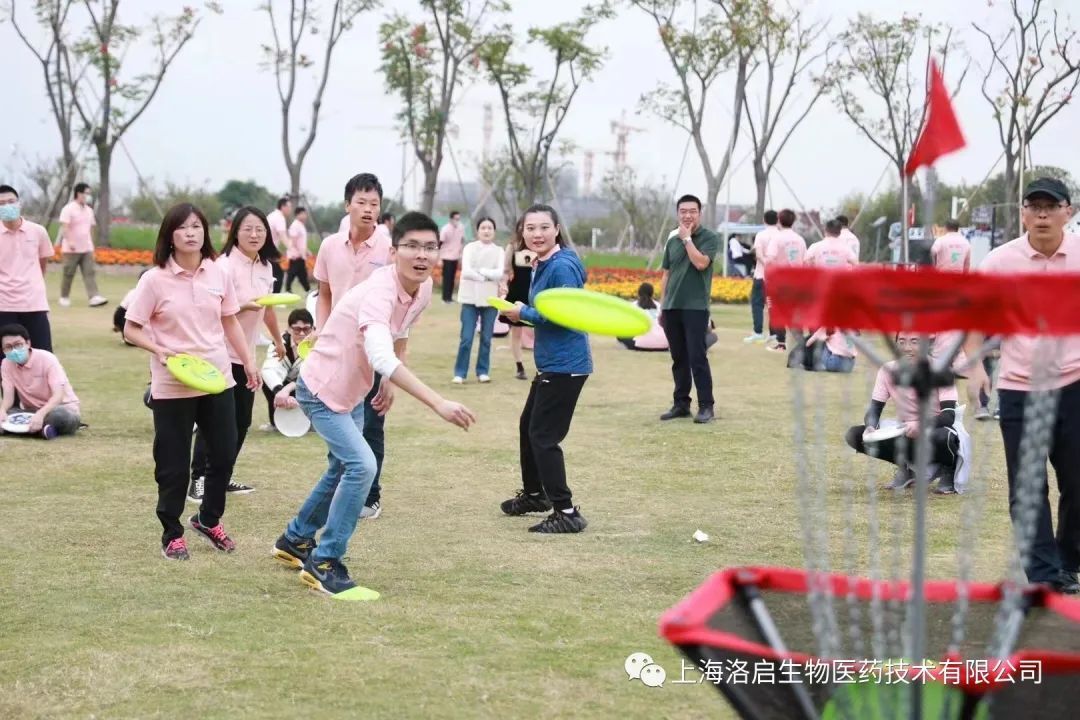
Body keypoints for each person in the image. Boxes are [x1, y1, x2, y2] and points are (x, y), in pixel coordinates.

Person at [272, 211, 476, 594]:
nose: (422, 255)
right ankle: (325, 561)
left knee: (343, 467)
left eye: (430, 247)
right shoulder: (378, 292)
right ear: (394, 251)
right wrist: (437, 403)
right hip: (321, 388)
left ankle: (295, 539)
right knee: (362, 466)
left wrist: (386, 380)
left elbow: (400, 332)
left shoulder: (423, 289)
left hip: (352, 389)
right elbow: (381, 352)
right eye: (412, 246)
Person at [123, 203, 260, 561]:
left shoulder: (218, 271)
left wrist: (248, 361)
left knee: (224, 453)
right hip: (172, 385)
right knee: (173, 464)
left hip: (217, 379)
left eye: (197, 226)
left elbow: (230, 320)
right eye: (182, 227)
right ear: (170, 235)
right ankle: (172, 533)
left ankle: (208, 519)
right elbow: (131, 329)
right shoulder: (154, 279)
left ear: (205, 232)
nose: (190, 233)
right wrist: (159, 350)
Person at [966, 177, 1080, 593]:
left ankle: (1069, 561)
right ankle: (1044, 574)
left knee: (1077, 481)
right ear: (1023, 214)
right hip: (1019, 386)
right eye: (1034, 207)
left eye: (1051, 206)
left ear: (1069, 212)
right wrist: (975, 367)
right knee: (1028, 486)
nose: (1042, 214)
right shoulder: (1000, 262)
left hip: (1074, 382)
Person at [500, 204, 592, 533]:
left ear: (556, 230)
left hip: (566, 365)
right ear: (522, 233)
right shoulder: (542, 262)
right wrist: (518, 309)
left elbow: (566, 314)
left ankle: (566, 512)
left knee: (543, 436)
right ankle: (536, 495)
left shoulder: (562, 265)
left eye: (543, 227)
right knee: (528, 426)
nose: (536, 234)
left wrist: (523, 313)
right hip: (552, 363)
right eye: (530, 228)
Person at [188, 206, 285, 501]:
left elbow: (267, 308)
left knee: (241, 422)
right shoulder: (223, 266)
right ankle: (198, 479)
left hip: (247, 357)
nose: (254, 234)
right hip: (219, 353)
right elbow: (211, 310)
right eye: (248, 229)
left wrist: (278, 340)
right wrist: (243, 305)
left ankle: (222, 475)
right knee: (214, 421)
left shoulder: (266, 267)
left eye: (260, 229)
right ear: (236, 232)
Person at [313, 173, 392, 519]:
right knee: (340, 424)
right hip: (336, 350)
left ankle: (370, 496)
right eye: (361, 202)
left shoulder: (389, 249)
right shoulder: (330, 246)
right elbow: (324, 294)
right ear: (347, 205)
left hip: (373, 348)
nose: (368, 209)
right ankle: (342, 489)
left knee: (372, 423)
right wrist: (321, 332)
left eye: (374, 203)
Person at [844, 332, 962, 493]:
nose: (907, 348)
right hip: (905, 429)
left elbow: (948, 415)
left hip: (936, 428)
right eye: (901, 342)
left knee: (944, 437)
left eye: (914, 342)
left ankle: (949, 469)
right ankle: (907, 468)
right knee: (856, 435)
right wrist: (871, 426)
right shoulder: (887, 370)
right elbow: (874, 409)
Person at [658, 194, 720, 424]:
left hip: (695, 307)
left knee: (697, 357)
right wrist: (662, 306)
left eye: (692, 211)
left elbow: (701, 263)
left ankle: (706, 406)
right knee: (679, 358)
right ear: (677, 214)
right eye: (683, 211)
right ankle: (681, 404)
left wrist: (687, 240)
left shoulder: (709, 238)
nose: (687, 215)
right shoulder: (672, 240)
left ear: (699, 213)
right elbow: (666, 274)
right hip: (672, 307)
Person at [0, 323, 81, 438]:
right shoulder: (6, 364)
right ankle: (44, 430)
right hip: (32, 411)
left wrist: (41, 414)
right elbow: (8, 397)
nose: (14, 350)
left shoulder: (47, 358)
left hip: (59, 408)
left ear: (28, 343)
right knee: (9, 414)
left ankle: (27, 428)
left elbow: (58, 395)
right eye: (8, 347)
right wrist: (2, 411)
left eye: (18, 345)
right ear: (3, 350)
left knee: (62, 416)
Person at [0, 184, 54, 352]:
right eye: (1, 203)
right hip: (4, 304)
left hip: (34, 302)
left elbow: (42, 263)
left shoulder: (38, 231)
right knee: (6, 356)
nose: (7, 206)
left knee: (42, 352)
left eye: (11, 201)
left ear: (19, 203)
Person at [454, 217, 504, 383]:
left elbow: (499, 273)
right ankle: (460, 373)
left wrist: (481, 271)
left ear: (494, 231)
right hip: (469, 298)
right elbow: (467, 271)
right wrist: (486, 276)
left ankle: (482, 371)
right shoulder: (469, 248)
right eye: (483, 228)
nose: (486, 231)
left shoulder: (499, 251)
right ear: (478, 231)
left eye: (490, 228)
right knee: (466, 338)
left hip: (490, 299)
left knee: (486, 339)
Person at [261, 308, 313, 431]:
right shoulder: (279, 343)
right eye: (297, 329)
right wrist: (280, 391)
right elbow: (269, 369)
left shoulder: (317, 345)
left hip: (306, 386)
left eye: (306, 329)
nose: (302, 334)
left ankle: (313, 421)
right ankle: (275, 422)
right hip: (283, 385)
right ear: (289, 329)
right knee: (267, 382)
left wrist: (287, 389)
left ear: (312, 329)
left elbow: (314, 376)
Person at [57, 182, 107, 308]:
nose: (88, 196)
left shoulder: (89, 211)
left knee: (89, 272)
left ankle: (94, 296)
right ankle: (64, 297)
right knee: (68, 273)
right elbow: (64, 227)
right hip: (71, 249)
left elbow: (91, 228)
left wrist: (92, 244)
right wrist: (70, 241)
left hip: (86, 248)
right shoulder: (68, 209)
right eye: (86, 193)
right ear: (78, 194)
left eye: (89, 194)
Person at [765, 209, 807, 354]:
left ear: (779, 220)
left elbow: (770, 259)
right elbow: (805, 261)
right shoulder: (800, 240)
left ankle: (781, 344)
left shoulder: (777, 238)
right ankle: (800, 344)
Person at [501, 217, 534, 380]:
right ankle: (519, 366)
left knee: (539, 328)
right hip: (516, 291)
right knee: (516, 332)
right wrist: (503, 286)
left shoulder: (538, 246)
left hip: (534, 291)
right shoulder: (512, 246)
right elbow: (505, 270)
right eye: (523, 227)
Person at [745, 210, 778, 344]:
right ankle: (774, 333)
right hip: (777, 276)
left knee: (757, 304)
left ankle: (758, 332)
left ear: (764, 220)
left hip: (761, 275)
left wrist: (766, 264)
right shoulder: (780, 235)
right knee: (773, 305)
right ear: (777, 220)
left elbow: (758, 254)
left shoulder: (761, 235)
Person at [617, 282, 667, 352]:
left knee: (620, 334)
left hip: (641, 344)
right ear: (652, 293)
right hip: (664, 344)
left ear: (639, 293)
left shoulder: (633, 306)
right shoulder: (659, 306)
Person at [266, 196, 292, 293]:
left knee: (271, 273)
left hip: (266, 249)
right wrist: (292, 248)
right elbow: (283, 236)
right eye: (289, 207)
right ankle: (275, 296)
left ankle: (270, 294)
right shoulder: (279, 218)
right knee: (278, 274)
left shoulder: (272, 215)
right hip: (269, 250)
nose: (290, 209)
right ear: (283, 206)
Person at [439, 210, 465, 303]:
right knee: (447, 277)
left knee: (452, 278)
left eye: (458, 219)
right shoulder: (445, 229)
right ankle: (445, 298)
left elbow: (462, 240)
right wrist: (438, 256)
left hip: (456, 256)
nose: (457, 221)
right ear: (451, 219)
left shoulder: (461, 227)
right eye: (456, 219)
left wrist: (461, 253)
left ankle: (449, 297)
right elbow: (440, 242)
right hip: (447, 256)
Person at [285, 206, 311, 293]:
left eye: (305, 214)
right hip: (295, 255)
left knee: (301, 274)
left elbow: (301, 241)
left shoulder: (301, 225)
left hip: (300, 254)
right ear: (297, 215)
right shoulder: (295, 225)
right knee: (293, 273)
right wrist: (300, 252)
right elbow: (294, 241)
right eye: (303, 214)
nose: (305, 216)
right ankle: (288, 289)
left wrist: (306, 251)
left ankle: (307, 290)